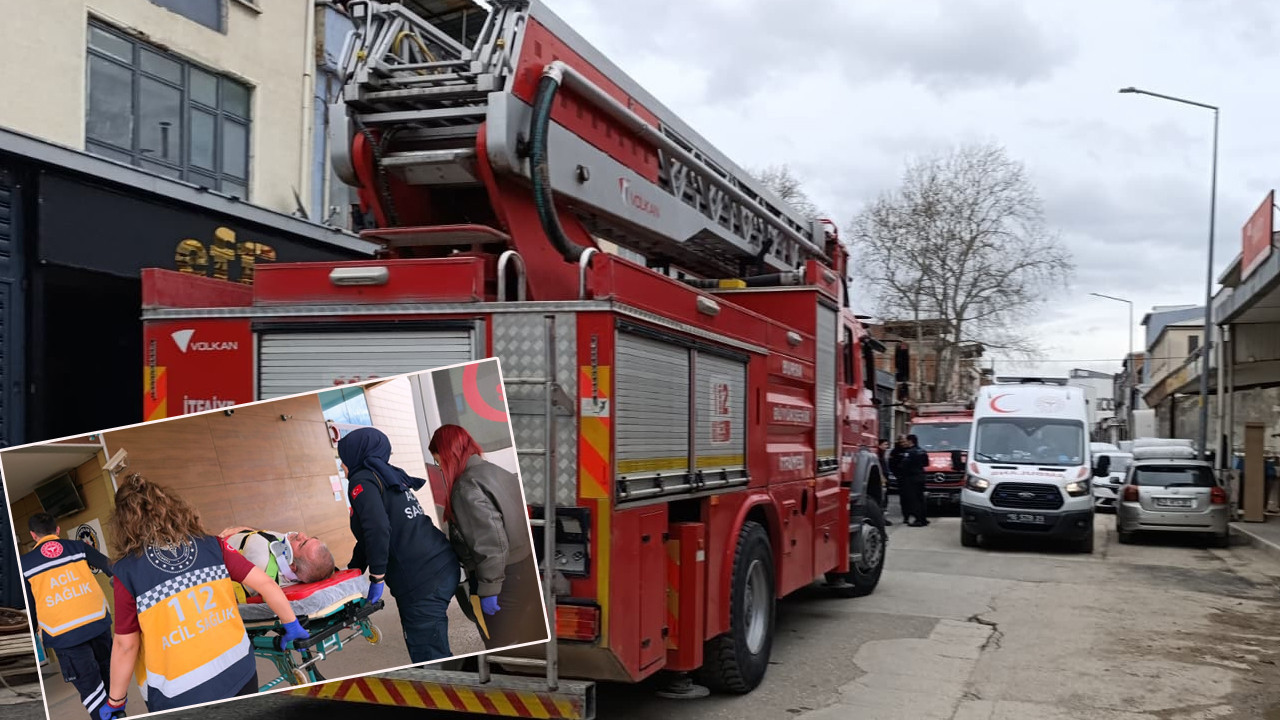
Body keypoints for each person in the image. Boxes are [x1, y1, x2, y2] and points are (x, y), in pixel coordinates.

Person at [99, 474, 308, 719]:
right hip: (239, 670)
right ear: (171, 508)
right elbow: (265, 583)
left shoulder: (127, 571)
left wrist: (115, 700)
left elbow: (126, 645)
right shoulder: (212, 545)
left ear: (124, 524)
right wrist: (291, 624)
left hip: (180, 694)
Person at [338, 427, 461, 663]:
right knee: (433, 648)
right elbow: (368, 535)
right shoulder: (387, 474)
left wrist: (377, 577)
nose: (343, 467)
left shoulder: (362, 479)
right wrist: (352, 573)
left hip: (422, 580)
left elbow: (378, 529)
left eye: (344, 459)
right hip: (441, 563)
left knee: (430, 659)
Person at [429, 424, 544, 650]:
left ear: (450, 455)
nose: (440, 468)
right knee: (527, 642)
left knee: (502, 649)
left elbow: (491, 544)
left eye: (439, 461)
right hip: (524, 569)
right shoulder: (498, 472)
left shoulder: (466, 486)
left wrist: (490, 589)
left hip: (501, 580)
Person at [21, 513, 116, 720]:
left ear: (33, 535)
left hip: (64, 634)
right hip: (97, 623)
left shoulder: (25, 564)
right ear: (57, 530)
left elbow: (30, 605)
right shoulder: (78, 547)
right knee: (110, 678)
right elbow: (111, 568)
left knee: (92, 690)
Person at [216, 527, 336, 601]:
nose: (301, 534)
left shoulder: (261, 561)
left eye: (302, 543)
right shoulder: (283, 548)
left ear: (292, 566)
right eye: (309, 537)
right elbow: (262, 535)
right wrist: (244, 528)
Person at [890, 434, 930, 527]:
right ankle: (923, 519)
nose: (906, 443)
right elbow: (926, 464)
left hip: (911, 478)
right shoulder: (923, 451)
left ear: (910, 441)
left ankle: (918, 520)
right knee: (921, 499)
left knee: (913, 499)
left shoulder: (909, 452)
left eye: (907, 441)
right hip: (921, 477)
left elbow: (903, 465)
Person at [874, 438, 894, 526]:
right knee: (882, 499)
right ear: (879, 445)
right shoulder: (878, 454)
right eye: (885, 445)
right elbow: (879, 467)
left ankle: (882, 518)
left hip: (884, 478)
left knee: (884, 499)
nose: (887, 447)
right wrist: (882, 477)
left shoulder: (882, 454)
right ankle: (881, 519)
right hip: (881, 480)